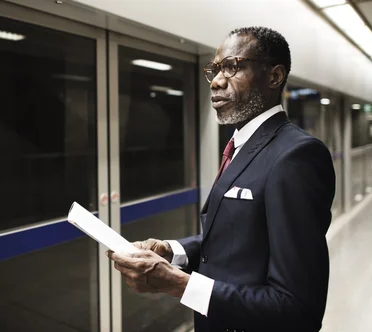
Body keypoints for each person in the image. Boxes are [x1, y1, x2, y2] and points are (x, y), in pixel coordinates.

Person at [107, 26, 335, 332]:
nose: (216, 81)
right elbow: (240, 238)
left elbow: (297, 308)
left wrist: (181, 285)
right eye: (215, 69)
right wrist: (172, 250)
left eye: (232, 66)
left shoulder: (296, 156)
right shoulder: (240, 147)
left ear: (274, 76)